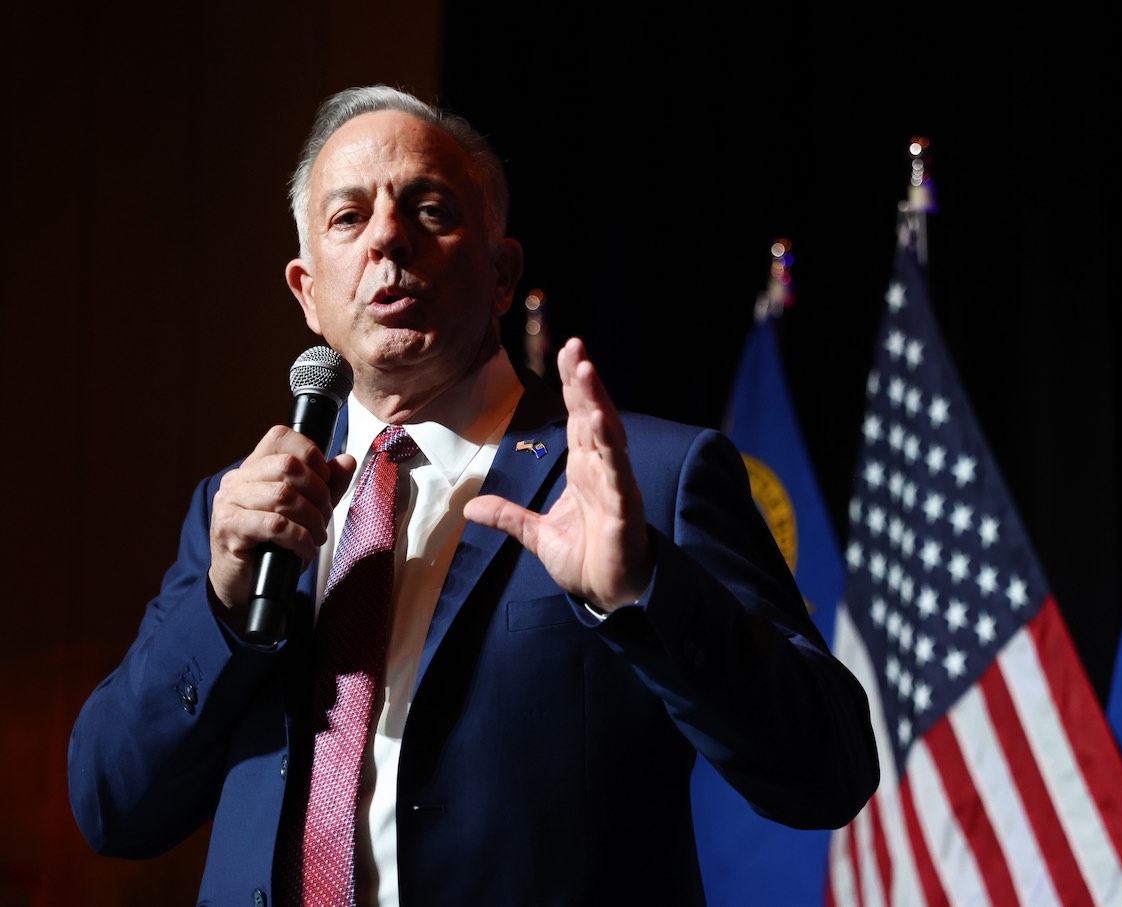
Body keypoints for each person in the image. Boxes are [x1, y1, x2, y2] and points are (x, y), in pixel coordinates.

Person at [66, 84, 879, 906]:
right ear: (307, 293)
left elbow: (829, 773)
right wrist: (223, 602)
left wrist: (644, 591)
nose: (387, 235)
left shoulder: (649, 479)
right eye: (348, 217)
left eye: (426, 208)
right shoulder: (243, 514)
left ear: (500, 273)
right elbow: (111, 807)